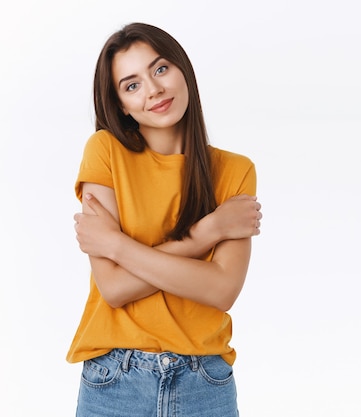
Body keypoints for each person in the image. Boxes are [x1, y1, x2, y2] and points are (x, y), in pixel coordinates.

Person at [68, 22, 262, 416]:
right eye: (131, 84)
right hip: (115, 381)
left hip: (204, 382)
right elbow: (115, 288)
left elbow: (221, 290)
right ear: (120, 104)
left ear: (182, 70)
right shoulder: (104, 151)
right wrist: (207, 232)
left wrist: (117, 245)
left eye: (159, 69)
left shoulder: (235, 171)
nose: (153, 90)